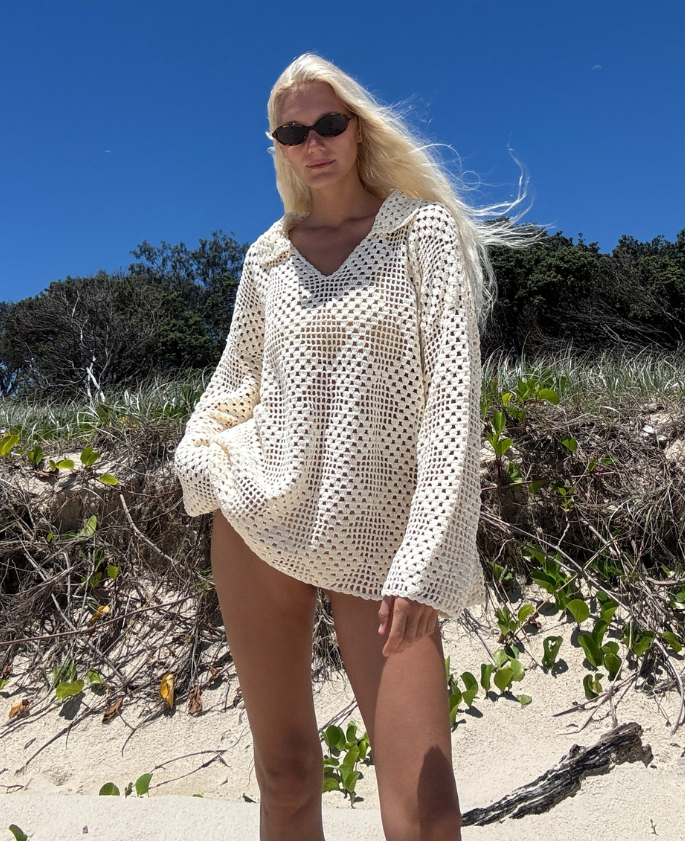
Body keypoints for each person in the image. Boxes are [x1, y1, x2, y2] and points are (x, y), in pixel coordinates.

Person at [174, 54, 525, 841]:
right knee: (286, 774)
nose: (313, 142)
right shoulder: (267, 258)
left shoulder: (419, 233)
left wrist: (427, 558)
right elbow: (233, 387)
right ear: (278, 146)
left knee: (425, 811)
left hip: (384, 543)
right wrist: (201, 458)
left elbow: (452, 408)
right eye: (292, 131)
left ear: (358, 127)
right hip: (259, 522)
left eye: (328, 123)